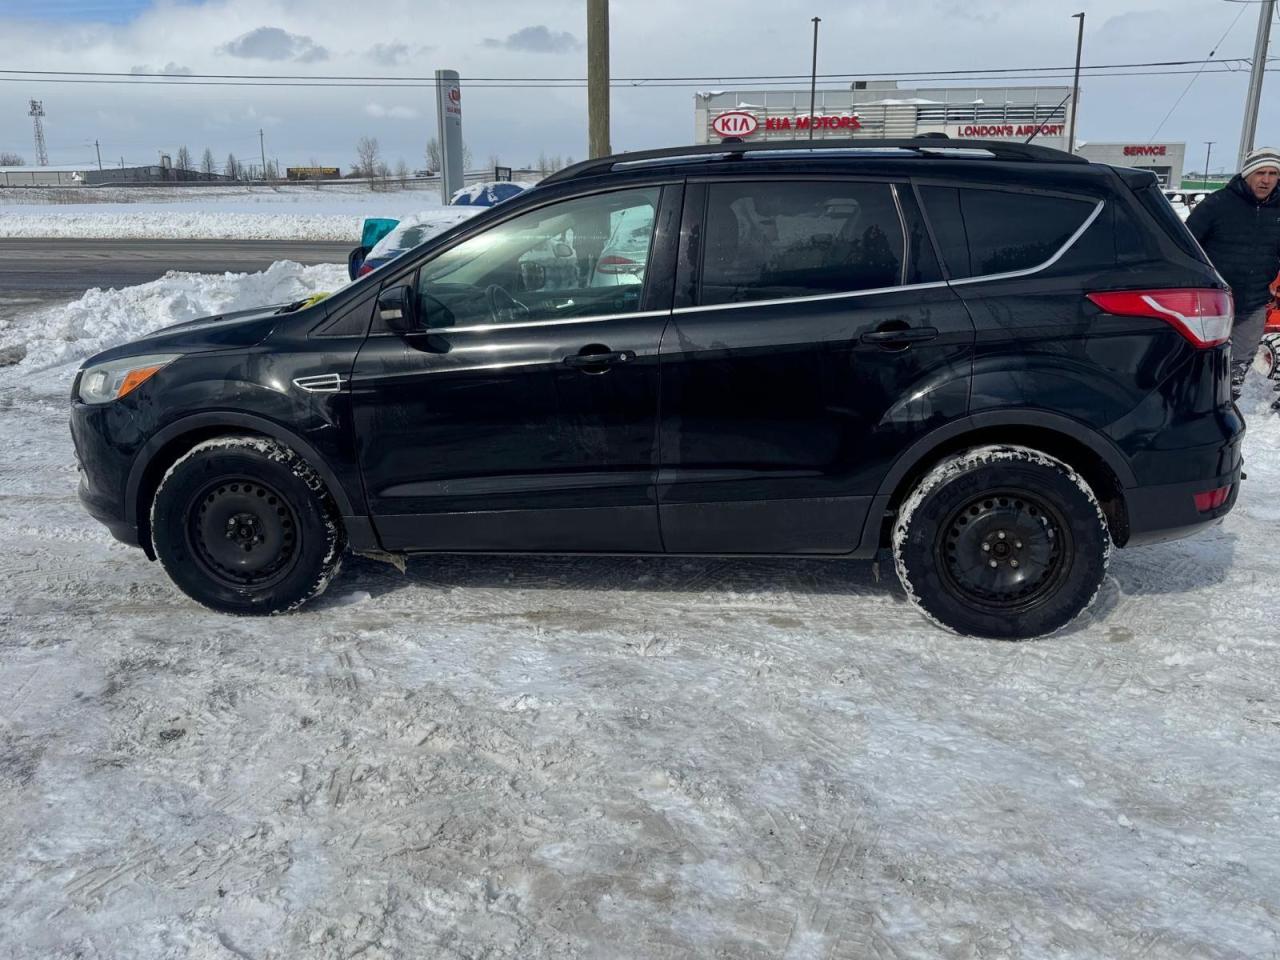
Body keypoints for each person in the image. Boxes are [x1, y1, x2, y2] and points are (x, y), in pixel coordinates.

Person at [1187, 147, 1280, 398]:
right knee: (1201, 358)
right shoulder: (1218, 204)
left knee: (1239, 362)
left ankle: (1227, 401)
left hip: (1254, 300)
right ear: (1248, 174)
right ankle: (1194, 404)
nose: (1267, 180)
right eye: (1261, 172)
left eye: (1273, 173)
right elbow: (1186, 245)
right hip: (1213, 300)